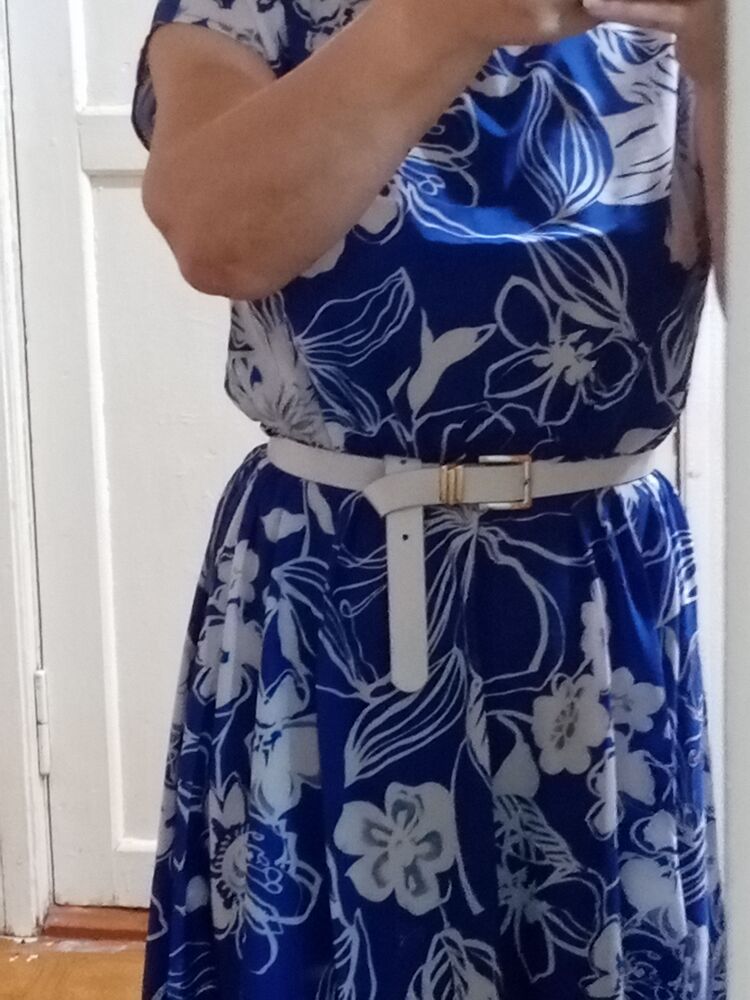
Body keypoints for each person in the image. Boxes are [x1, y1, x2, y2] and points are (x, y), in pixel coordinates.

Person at [130, 0, 727, 996]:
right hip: (329, 587)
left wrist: (723, 57)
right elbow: (215, 233)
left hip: (594, 600)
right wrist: (449, 19)